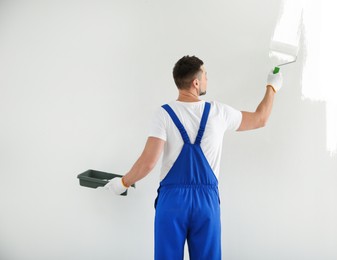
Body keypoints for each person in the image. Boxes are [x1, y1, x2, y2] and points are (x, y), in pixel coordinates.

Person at [105, 55, 282, 260]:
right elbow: (261, 118)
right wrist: (272, 87)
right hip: (206, 202)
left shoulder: (163, 114)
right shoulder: (219, 112)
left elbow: (148, 162)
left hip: (171, 202)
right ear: (196, 82)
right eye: (205, 75)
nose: (207, 79)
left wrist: (123, 183)